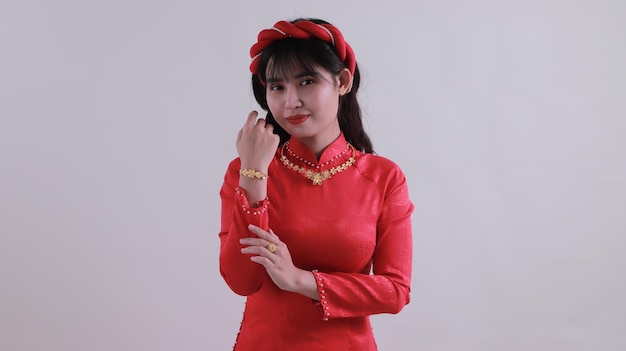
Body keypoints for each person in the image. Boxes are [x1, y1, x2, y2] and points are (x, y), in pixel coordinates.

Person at [218, 18, 414, 350]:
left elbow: (395, 291)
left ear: (342, 81)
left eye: (306, 82)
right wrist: (253, 174)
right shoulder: (246, 169)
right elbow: (241, 281)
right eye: (277, 87)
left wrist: (301, 280)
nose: (289, 101)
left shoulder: (383, 178)